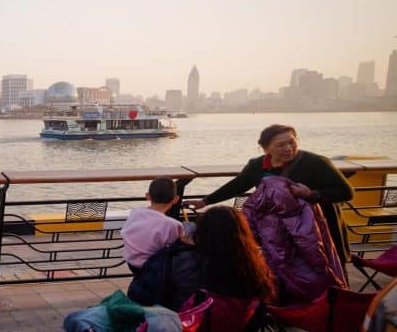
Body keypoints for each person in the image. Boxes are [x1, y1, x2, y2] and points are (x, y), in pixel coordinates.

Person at [184, 124, 354, 263]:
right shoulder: (257, 165)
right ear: (266, 149)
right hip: (279, 230)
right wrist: (206, 201)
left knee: (324, 268)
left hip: (318, 229)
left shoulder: (316, 162)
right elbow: (238, 185)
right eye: (281, 145)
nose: (288, 148)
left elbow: (346, 192)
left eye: (292, 142)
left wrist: (312, 194)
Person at [194, 206, 276, 304]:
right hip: (244, 317)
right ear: (243, 231)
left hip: (204, 316)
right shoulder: (254, 265)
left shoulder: (196, 265)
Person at [121, 177, 192, 274]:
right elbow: (176, 246)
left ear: (147, 196)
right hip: (153, 267)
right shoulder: (173, 225)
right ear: (175, 199)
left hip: (131, 262)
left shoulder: (135, 212)